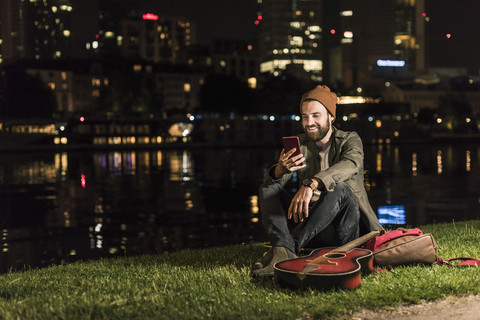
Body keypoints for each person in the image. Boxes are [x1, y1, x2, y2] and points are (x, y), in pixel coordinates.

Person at [252, 85, 383, 277]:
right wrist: (280, 170)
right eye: (304, 117)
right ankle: (283, 249)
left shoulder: (350, 140)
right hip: (312, 229)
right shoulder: (301, 143)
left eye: (316, 115)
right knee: (268, 187)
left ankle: (288, 250)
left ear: (331, 116)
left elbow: (351, 164)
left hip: (344, 231)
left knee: (340, 189)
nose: (309, 122)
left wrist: (312, 183)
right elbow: (274, 185)